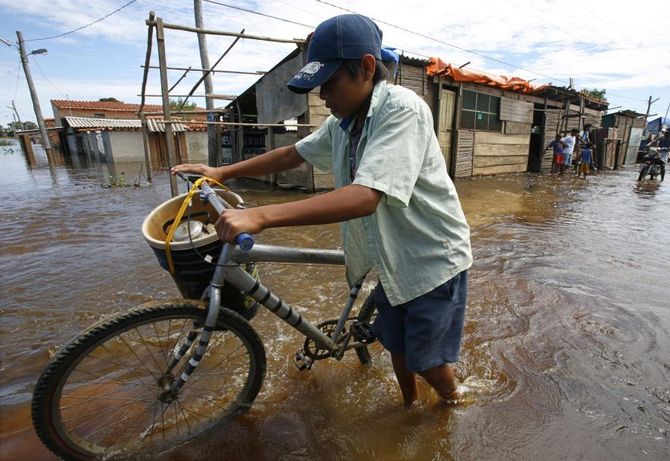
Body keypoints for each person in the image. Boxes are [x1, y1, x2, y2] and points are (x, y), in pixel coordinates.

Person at [171, 14, 473, 407]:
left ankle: (455, 398)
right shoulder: (343, 122)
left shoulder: (402, 110)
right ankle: (409, 406)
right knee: (397, 344)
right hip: (393, 257)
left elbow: (366, 195)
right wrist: (222, 171)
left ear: (367, 68)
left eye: (330, 83)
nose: (322, 95)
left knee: (428, 360)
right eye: (318, 86)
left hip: (431, 258)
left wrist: (260, 215)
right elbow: (291, 153)